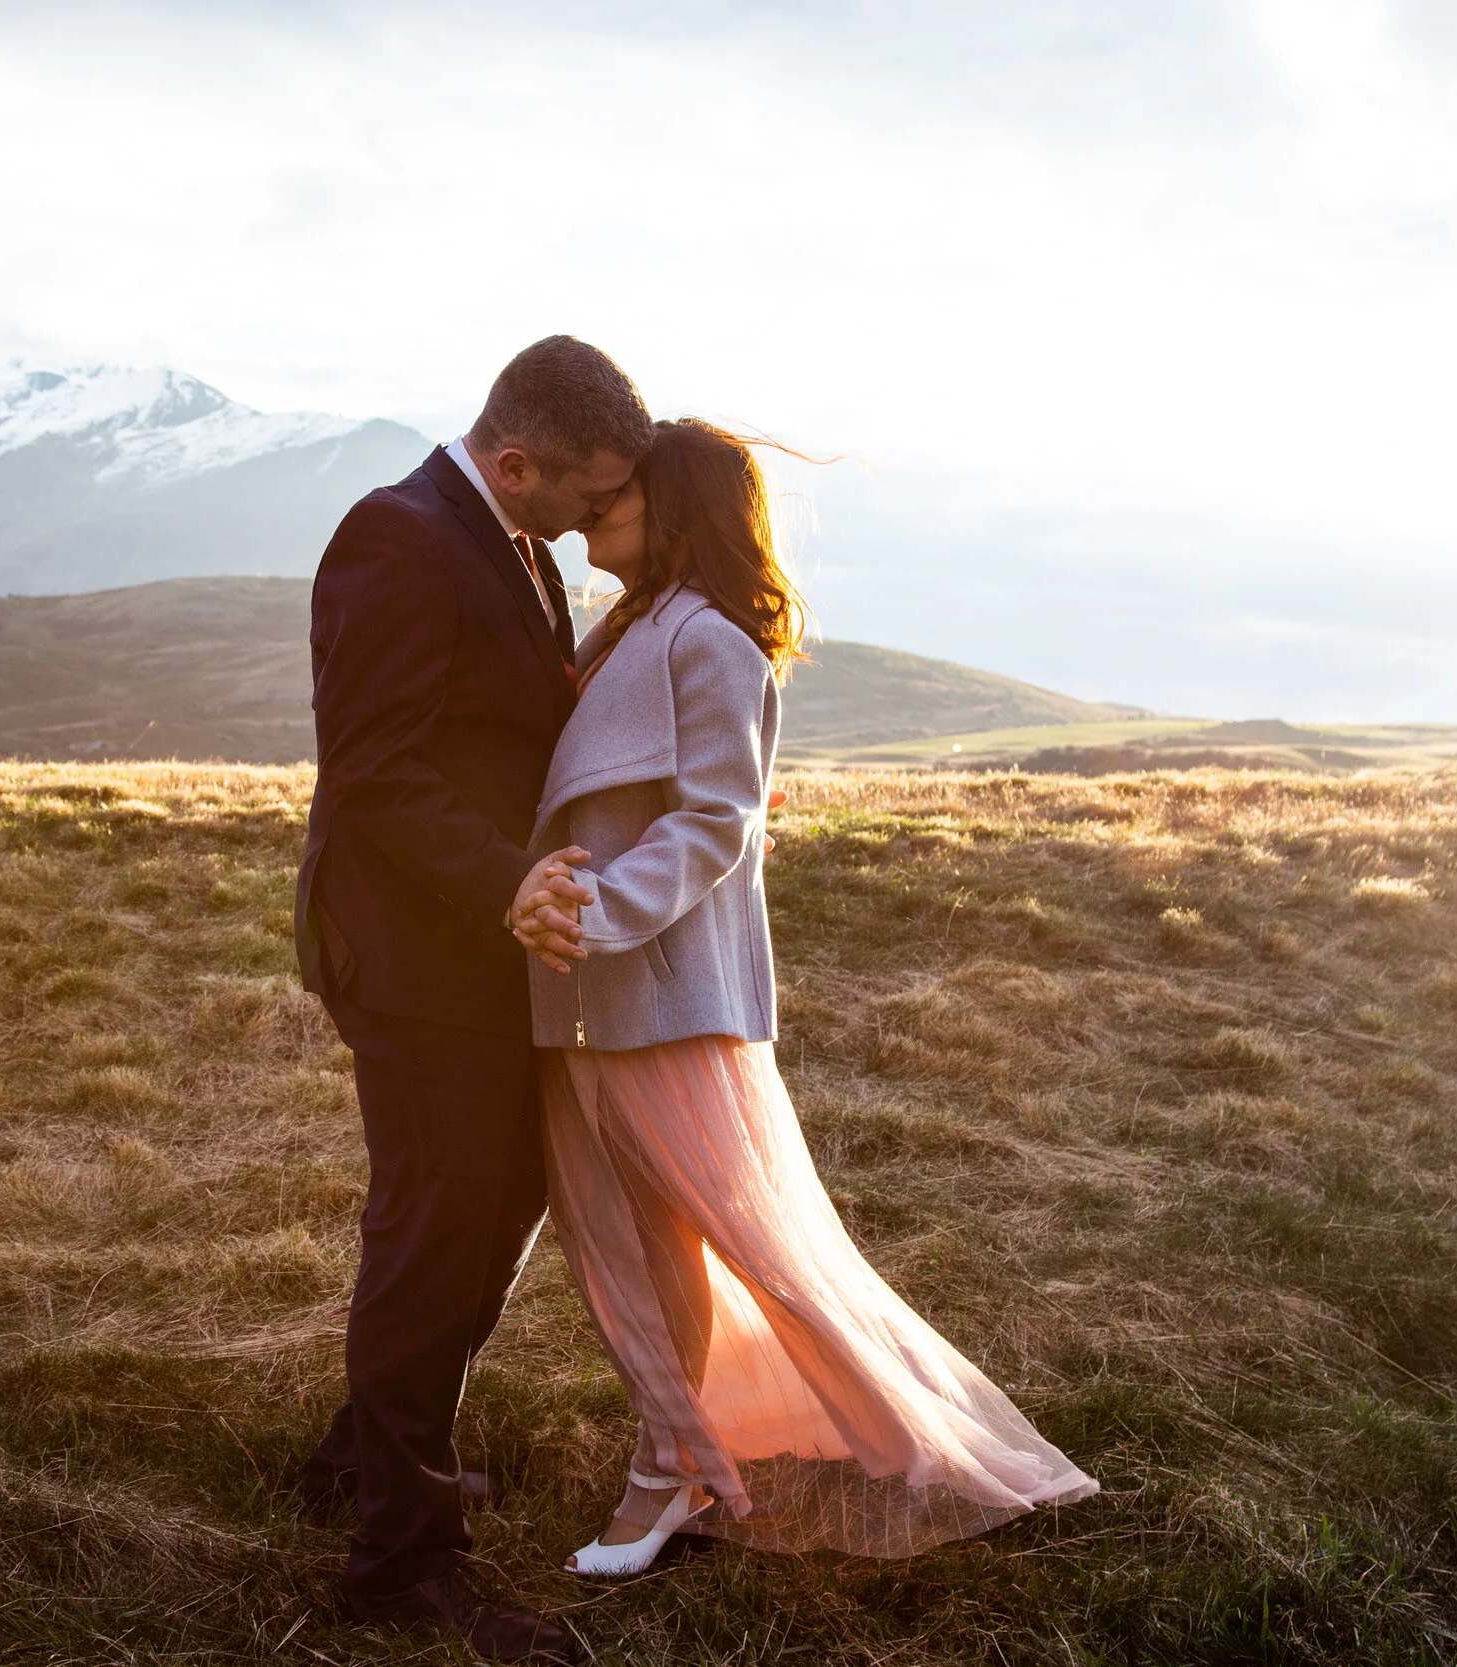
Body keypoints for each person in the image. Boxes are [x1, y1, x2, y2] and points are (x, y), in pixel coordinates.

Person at [507, 419, 1099, 1578]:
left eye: (617, 497)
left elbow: (718, 818)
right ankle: (687, 1446)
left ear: (673, 508)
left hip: (660, 990)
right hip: (591, 986)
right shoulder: (629, 628)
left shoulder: (711, 638)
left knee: (725, 1239)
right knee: (625, 1236)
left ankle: (712, 1460)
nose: (591, 513)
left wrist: (596, 910)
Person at [293, 336, 646, 1663]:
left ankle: (360, 1458)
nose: (593, 516)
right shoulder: (394, 536)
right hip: (414, 950)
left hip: (487, 948)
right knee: (435, 1225)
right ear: (516, 462)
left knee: (498, 1196)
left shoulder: (512, 541)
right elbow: (372, 771)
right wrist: (510, 882)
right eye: (586, 492)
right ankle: (400, 1558)